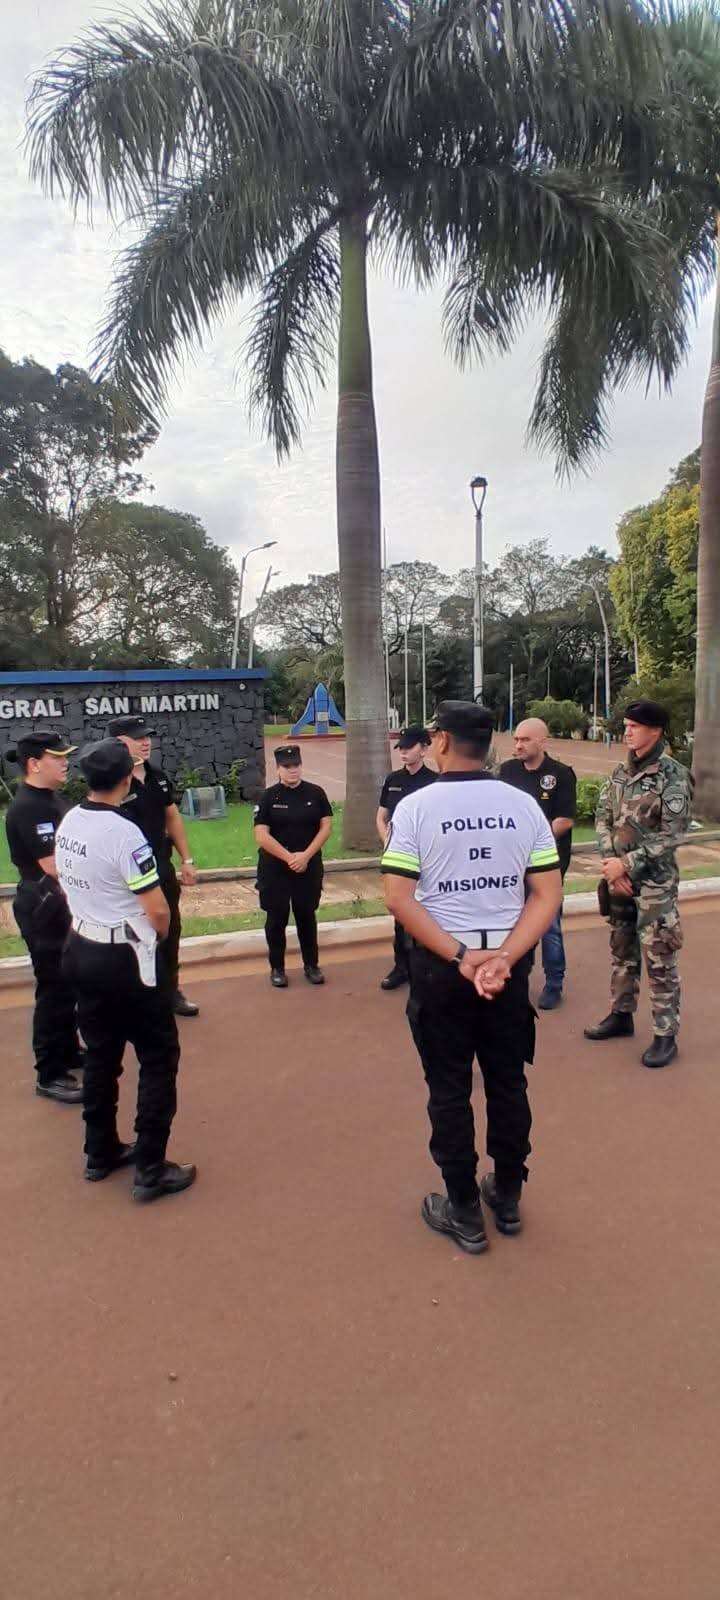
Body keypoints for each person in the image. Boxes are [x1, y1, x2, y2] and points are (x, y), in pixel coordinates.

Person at [382, 701, 562, 1255]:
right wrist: (503, 958)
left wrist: (462, 957)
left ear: (440, 741)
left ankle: (463, 1208)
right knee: (508, 1082)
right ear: (489, 746)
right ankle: (506, 1194)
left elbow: (399, 898)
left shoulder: (415, 807)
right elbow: (547, 895)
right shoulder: (523, 805)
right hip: (507, 966)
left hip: (444, 968)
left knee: (449, 1088)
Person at [58, 738, 196, 1201]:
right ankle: (151, 1169)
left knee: (101, 1055)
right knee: (158, 1057)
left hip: (81, 947)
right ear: (125, 780)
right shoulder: (125, 833)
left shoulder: (70, 820)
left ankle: (99, 1152)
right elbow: (157, 909)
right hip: (125, 958)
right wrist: (158, 938)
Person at [584, 699, 692, 1068]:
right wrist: (612, 867)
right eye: (626, 725)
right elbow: (602, 818)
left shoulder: (674, 776)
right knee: (622, 951)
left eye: (634, 726)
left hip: (655, 887)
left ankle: (665, 1035)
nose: (626, 731)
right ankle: (621, 1015)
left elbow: (672, 836)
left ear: (655, 731)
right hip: (619, 881)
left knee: (659, 959)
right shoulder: (620, 772)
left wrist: (626, 865)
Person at [5, 728, 83, 1103]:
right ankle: (49, 1073)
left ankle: (68, 1051)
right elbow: (54, 865)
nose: (66, 762)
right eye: (58, 757)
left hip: (58, 906)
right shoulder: (29, 807)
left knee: (67, 984)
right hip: (44, 908)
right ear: (35, 764)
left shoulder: (50, 798)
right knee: (52, 990)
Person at [108, 715, 200, 1017]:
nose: (146, 742)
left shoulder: (157, 776)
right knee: (132, 937)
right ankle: (137, 999)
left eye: (147, 736)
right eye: (138, 738)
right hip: (127, 878)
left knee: (169, 931)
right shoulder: (111, 782)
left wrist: (186, 859)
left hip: (160, 869)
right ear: (119, 742)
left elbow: (172, 816)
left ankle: (170, 992)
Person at [500, 718, 577, 1009]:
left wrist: (530, 843)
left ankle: (554, 983)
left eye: (525, 740)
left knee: (549, 926)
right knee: (511, 922)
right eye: (516, 739)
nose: (519, 745)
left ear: (543, 741)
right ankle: (515, 978)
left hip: (547, 865)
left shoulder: (561, 774)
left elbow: (564, 820)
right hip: (512, 864)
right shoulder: (507, 771)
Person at [253, 744, 333, 987]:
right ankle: (277, 968)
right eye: (287, 766)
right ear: (278, 769)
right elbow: (261, 835)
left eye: (296, 765)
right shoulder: (268, 797)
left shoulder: (315, 793)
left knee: (306, 916)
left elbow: (326, 827)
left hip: (308, 866)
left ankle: (311, 965)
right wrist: (290, 858)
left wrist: (305, 856)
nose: (292, 770)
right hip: (275, 868)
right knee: (276, 918)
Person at [376, 726, 436, 991]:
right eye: (400, 747)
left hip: (427, 859)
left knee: (426, 913)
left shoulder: (435, 782)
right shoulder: (393, 779)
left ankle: (425, 968)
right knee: (400, 915)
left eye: (409, 747)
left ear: (424, 749)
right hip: (399, 860)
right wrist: (389, 844)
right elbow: (381, 817)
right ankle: (401, 967)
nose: (403, 752)